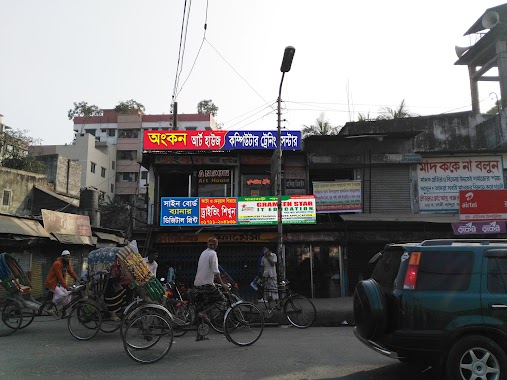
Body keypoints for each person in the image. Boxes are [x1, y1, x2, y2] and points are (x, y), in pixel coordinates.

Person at [193, 237, 229, 341]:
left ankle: (200, 335)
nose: (212, 246)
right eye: (211, 244)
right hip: (206, 285)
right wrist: (223, 284)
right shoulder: (213, 254)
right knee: (222, 300)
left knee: (201, 307)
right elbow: (216, 271)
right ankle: (205, 313)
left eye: (213, 244)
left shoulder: (203, 253)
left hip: (197, 284)